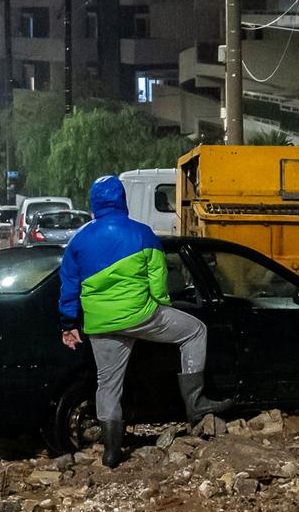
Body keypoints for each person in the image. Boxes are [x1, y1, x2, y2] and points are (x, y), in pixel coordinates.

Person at [59, 175, 231, 468]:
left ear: (93, 203)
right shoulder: (142, 233)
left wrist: (68, 324)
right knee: (195, 331)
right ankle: (196, 403)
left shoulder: (78, 239)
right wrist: (161, 304)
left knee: (108, 385)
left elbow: (69, 285)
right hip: (142, 315)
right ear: (122, 200)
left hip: (100, 323)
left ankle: (112, 451)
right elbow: (158, 279)